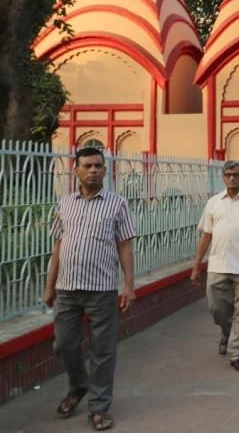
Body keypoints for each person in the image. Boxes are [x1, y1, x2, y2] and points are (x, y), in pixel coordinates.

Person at [44, 146, 135, 431]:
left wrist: (129, 285)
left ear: (105, 170)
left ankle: (99, 407)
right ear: (77, 170)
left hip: (102, 289)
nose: (93, 170)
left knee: (102, 351)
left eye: (98, 166)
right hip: (67, 289)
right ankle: (79, 385)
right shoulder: (64, 204)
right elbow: (57, 248)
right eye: (87, 166)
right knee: (64, 344)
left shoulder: (117, 204)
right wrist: (50, 286)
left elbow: (125, 246)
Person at [191, 160, 239, 372]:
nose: (232, 178)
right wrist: (196, 266)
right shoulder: (214, 203)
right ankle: (227, 333)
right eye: (228, 175)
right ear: (223, 178)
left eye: (236, 175)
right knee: (217, 308)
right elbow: (206, 235)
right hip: (218, 264)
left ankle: (238, 354)